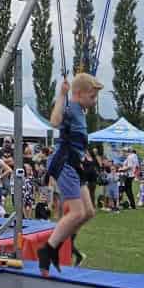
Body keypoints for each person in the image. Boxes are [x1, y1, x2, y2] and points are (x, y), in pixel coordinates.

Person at [37, 73, 102, 275]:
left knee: (89, 212)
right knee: (76, 212)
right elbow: (54, 122)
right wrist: (62, 94)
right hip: (63, 163)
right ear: (79, 93)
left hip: (75, 164)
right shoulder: (70, 108)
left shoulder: (80, 111)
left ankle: (60, 242)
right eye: (92, 97)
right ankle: (47, 250)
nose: (94, 101)